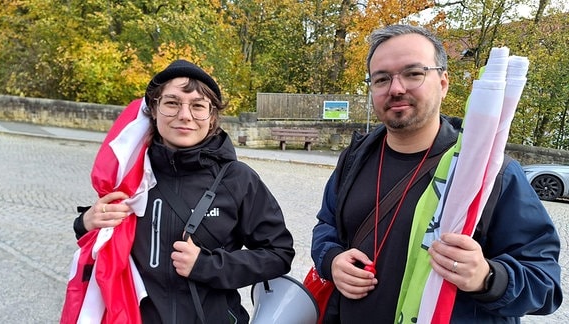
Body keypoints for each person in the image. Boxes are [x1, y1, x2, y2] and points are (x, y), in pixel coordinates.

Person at [311, 24, 562, 323]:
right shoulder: (354, 157)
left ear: (443, 82)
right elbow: (326, 225)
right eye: (381, 79)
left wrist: (487, 277)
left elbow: (545, 283)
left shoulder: (489, 171)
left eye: (413, 73)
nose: (396, 88)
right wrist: (331, 259)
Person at [71, 59, 295, 323]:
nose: (185, 115)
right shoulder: (131, 174)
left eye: (198, 106)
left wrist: (207, 265)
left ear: (212, 116)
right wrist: (85, 222)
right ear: (153, 109)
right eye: (172, 103)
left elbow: (279, 254)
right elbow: (103, 238)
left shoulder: (238, 179)